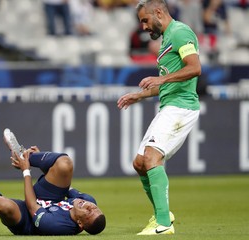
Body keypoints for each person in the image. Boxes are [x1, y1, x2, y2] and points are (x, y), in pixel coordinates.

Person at [117, 0, 201, 236]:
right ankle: (162, 215)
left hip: (181, 107)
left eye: (145, 20)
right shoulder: (167, 39)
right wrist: (139, 95)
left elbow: (194, 68)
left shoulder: (180, 32)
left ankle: (164, 224)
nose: (143, 27)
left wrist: (161, 79)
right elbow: (167, 83)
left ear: (158, 12)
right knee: (139, 163)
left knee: (152, 157)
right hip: (169, 105)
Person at [0, 128, 106, 236]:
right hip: (51, 198)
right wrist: (44, 166)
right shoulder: (87, 201)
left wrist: (26, 171)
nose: (91, 206)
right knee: (65, 165)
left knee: (2, 206)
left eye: (89, 212)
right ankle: (24, 155)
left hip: (28, 219)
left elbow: (32, 206)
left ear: (80, 224)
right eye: (95, 208)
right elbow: (65, 186)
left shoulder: (57, 225)